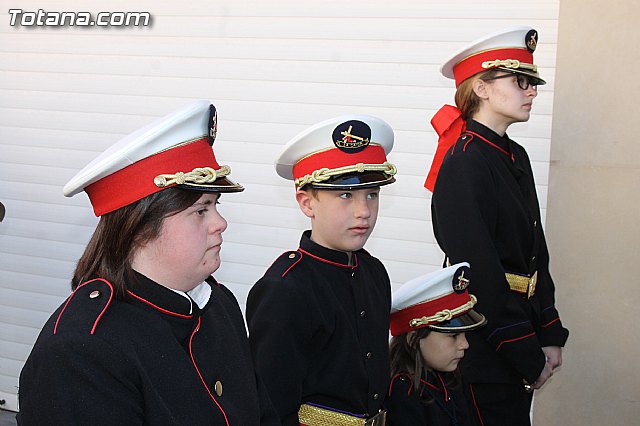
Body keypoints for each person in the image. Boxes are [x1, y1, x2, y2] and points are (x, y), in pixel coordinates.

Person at [17, 100, 280, 425]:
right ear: (140, 228)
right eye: (201, 210)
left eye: (216, 205)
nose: (220, 222)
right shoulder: (83, 348)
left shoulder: (218, 304)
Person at [424, 27, 570, 425]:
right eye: (520, 81)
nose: (532, 91)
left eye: (533, 82)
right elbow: (480, 275)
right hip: (486, 347)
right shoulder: (465, 161)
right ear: (483, 89)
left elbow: (536, 254)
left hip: (519, 335)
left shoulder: (513, 155)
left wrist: (551, 333)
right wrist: (526, 351)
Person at [246, 115, 397, 425]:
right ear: (306, 203)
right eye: (345, 195)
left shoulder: (373, 272)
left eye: (372, 194)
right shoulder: (286, 289)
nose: (363, 211)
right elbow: (272, 409)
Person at [387, 262, 487, 426]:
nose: (465, 344)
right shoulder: (401, 392)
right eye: (454, 335)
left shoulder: (451, 378)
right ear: (413, 340)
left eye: (464, 335)